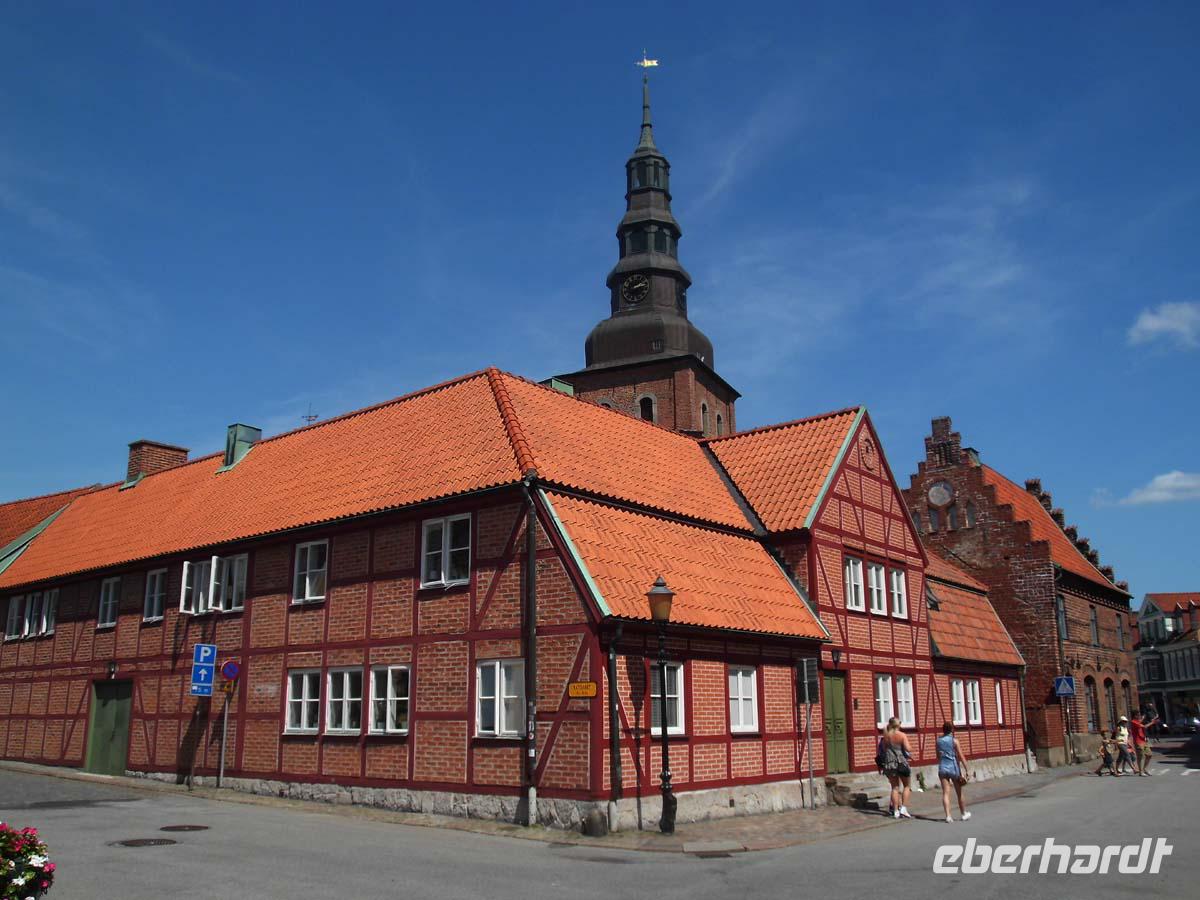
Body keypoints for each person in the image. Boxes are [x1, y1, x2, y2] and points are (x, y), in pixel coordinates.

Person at [937, 722, 972, 821]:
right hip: (953, 768)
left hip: (942, 767)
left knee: (945, 793)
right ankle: (963, 813)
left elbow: (938, 756)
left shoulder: (938, 741)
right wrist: (967, 769)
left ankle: (948, 816)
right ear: (951, 730)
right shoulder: (954, 741)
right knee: (959, 792)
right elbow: (961, 756)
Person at [881, 717, 914, 819]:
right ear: (898, 725)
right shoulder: (902, 735)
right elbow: (908, 748)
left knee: (894, 788)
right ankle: (903, 808)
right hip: (901, 762)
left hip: (890, 763)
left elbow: (884, 748)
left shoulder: (886, 736)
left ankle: (895, 811)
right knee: (907, 786)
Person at [1131, 711, 1159, 775]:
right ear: (1135, 716)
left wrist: (1144, 718)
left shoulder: (1138, 721)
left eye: (1139, 715)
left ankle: (1145, 769)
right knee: (1140, 756)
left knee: (1149, 754)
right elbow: (1144, 726)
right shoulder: (1133, 722)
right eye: (1138, 715)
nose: (1139, 716)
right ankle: (1141, 771)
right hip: (1138, 741)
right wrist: (1152, 722)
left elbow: (1141, 723)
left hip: (1143, 740)